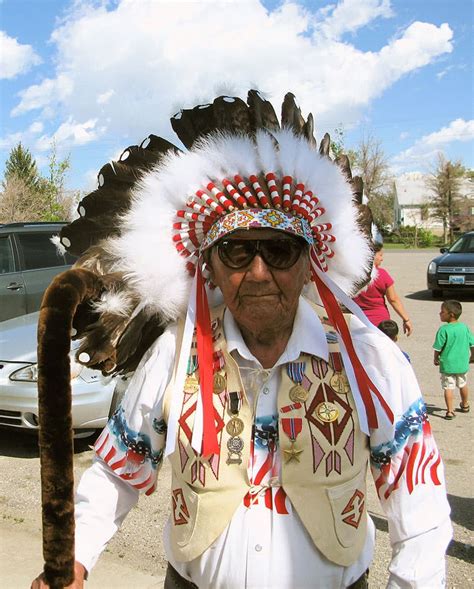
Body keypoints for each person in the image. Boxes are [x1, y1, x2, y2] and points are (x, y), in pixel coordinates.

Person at [32, 92, 451, 589]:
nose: (257, 273)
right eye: (234, 251)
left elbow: (417, 502)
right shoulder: (175, 352)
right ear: (208, 265)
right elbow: (118, 472)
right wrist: (73, 562)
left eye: (278, 249)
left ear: (308, 261)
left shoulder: (366, 357)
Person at [352, 244, 413, 336]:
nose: (382, 258)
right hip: (380, 323)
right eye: (380, 255)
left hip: (358, 321)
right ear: (371, 256)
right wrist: (406, 319)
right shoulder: (382, 275)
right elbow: (393, 299)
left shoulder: (354, 275)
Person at [433, 300, 474, 420]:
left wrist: (436, 358)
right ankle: (465, 404)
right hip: (462, 363)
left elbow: (438, 347)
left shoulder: (444, 330)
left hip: (448, 364)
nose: (440, 313)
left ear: (451, 314)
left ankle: (450, 411)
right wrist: (472, 356)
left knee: (448, 387)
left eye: (442, 312)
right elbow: (472, 344)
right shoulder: (464, 327)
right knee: (463, 384)